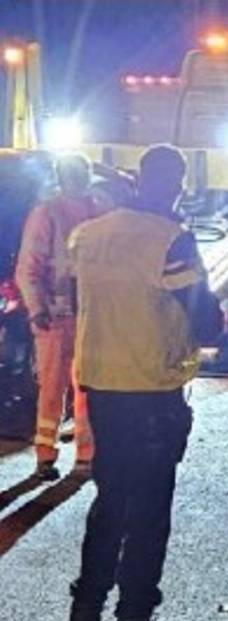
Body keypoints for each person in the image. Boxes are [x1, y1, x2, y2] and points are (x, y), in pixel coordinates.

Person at [59, 145, 223, 621]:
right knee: (149, 516)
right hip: (150, 390)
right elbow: (208, 320)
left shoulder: (89, 234)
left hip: (100, 388)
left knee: (109, 506)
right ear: (174, 185)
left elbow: (73, 295)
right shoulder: (170, 240)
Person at [15, 154, 98, 483]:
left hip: (88, 315)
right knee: (52, 386)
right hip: (55, 315)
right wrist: (36, 308)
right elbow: (28, 268)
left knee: (88, 388)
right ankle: (46, 455)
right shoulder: (47, 214)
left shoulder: (97, 211)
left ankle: (86, 455)